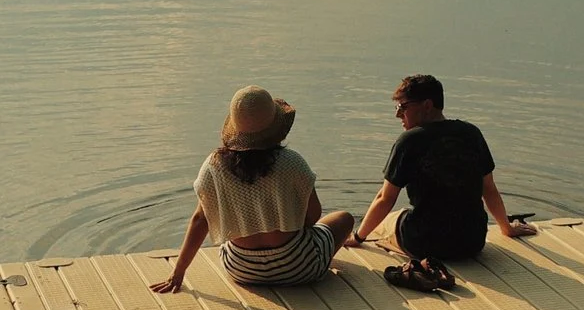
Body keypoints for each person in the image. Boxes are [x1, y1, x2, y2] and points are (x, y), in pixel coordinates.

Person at [151, 86, 357, 292]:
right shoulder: (292, 162)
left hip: (241, 269)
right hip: (299, 268)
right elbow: (313, 216)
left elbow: (200, 220)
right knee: (344, 218)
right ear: (276, 128)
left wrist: (178, 271)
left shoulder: (214, 165)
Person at [350, 74, 537, 263]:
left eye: (403, 107)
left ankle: (372, 238)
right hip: (472, 241)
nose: (398, 114)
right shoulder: (471, 134)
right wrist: (507, 228)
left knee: (389, 221)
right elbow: (488, 188)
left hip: (424, 243)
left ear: (427, 105)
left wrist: (358, 237)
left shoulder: (410, 141)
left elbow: (385, 198)